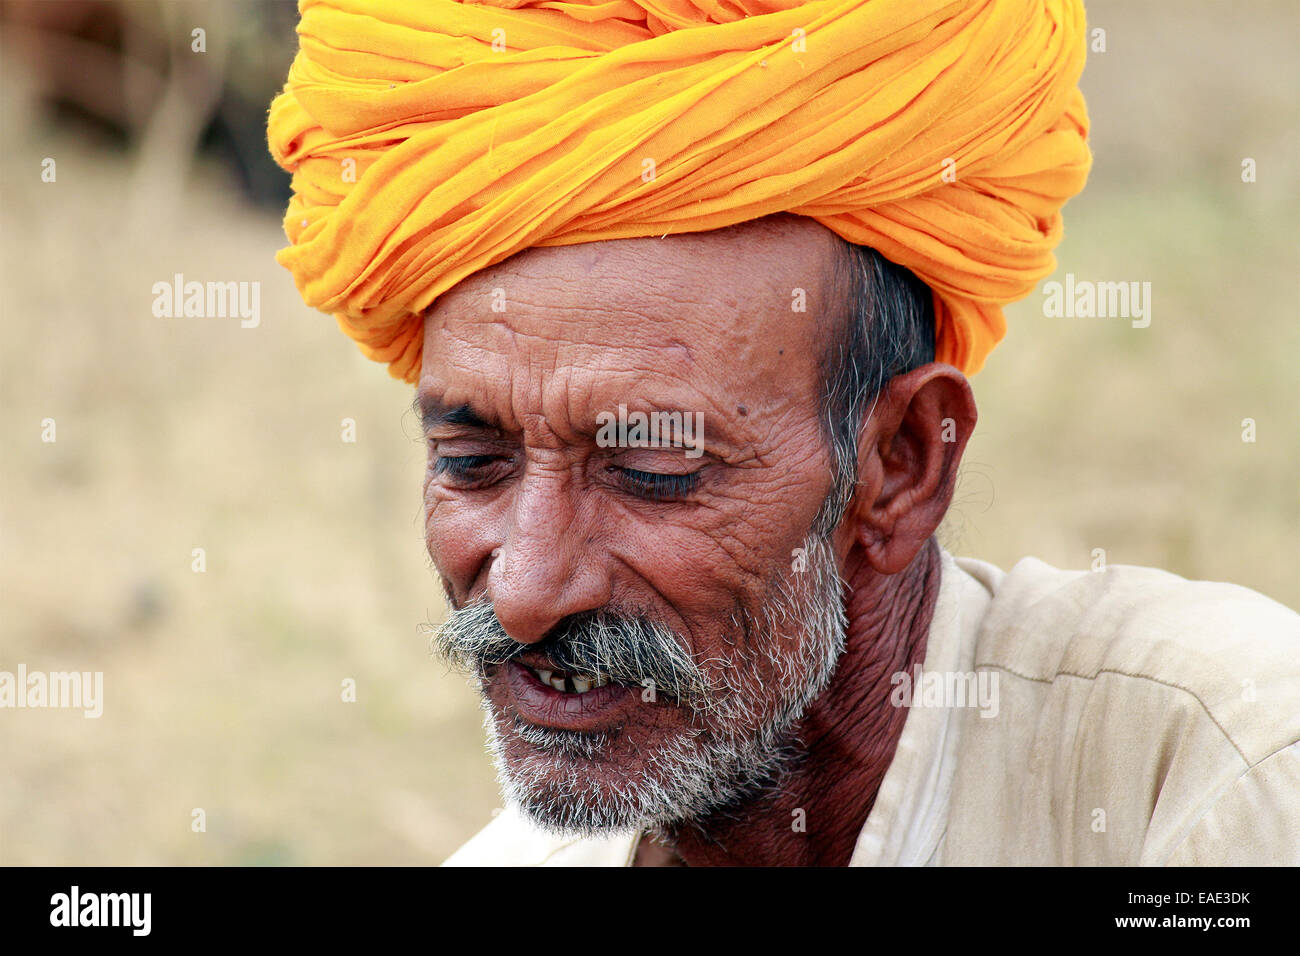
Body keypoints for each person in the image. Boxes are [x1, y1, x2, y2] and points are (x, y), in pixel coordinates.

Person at [268, 0, 1299, 865]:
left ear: (899, 465)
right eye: (471, 462)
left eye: (650, 467)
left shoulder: (1223, 769)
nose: (528, 587)